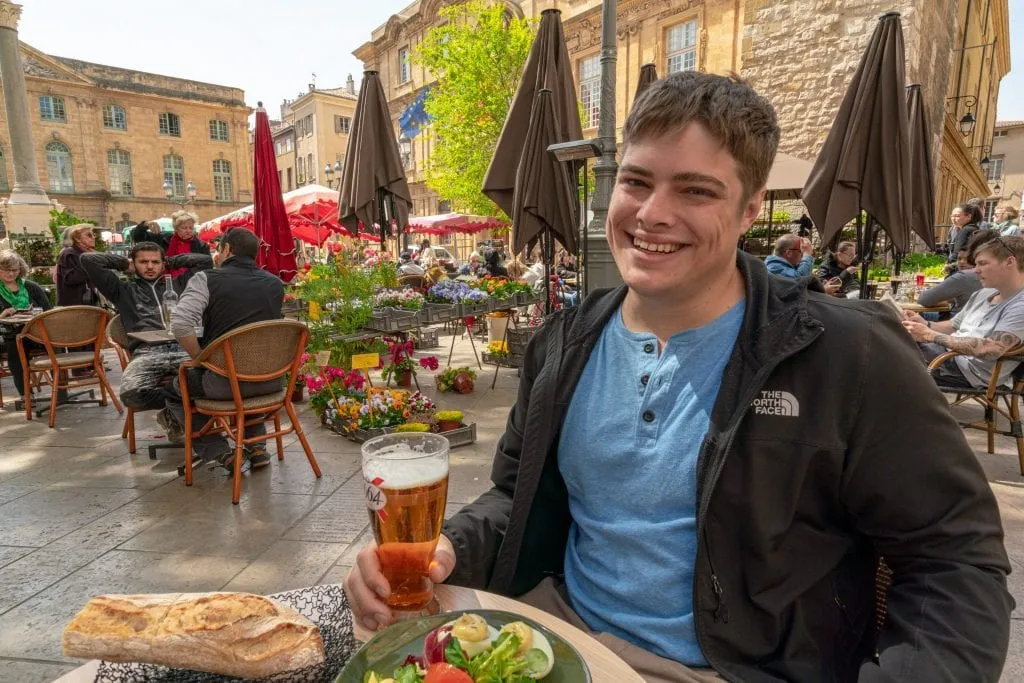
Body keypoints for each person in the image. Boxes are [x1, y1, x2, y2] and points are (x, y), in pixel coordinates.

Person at [343, 71, 1013, 683]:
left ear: (750, 209)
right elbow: (513, 497)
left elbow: (958, 565)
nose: (652, 213)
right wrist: (445, 548)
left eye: (695, 190)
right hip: (552, 639)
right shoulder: (563, 341)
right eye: (637, 182)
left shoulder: (846, 353)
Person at [163, 228, 284, 470]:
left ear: (227, 249)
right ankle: (257, 446)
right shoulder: (275, 283)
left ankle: (220, 452)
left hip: (225, 385)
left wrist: (199, 359)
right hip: (272, 380)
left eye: (218, 249)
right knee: (245, 368)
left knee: (176, 389)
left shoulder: (207, 279)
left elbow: (180, 323)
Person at [81, 242, 213, 425]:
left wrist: (170, 262)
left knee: (216, 384)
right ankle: (176, 403)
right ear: (134, 263)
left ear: (163, 263)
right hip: (147, 352)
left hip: (185, 348)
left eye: (155, 262)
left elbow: (205, 261)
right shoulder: (122, 290)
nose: (150, 267)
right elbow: (88, 259)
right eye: (143, 262)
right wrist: (124, 264)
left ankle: (174, 408)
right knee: (131, 395)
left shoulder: (180, 284)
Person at [904, 234, 1024, 390]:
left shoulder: (1020, 306)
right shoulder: (984, 293)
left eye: (982, 264)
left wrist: (930, 335)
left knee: (887, 352)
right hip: (947, 356)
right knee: (889, 336)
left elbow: (991, 349)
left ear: (1009, 262)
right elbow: (955, 325)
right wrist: (925, 323)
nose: (976, 270)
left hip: (967, 371)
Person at [0, 250, 51, 399]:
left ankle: (61, 392)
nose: (10, 274)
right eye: (5, 270)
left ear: (20, 269)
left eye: (14, 270)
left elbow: (48, 311)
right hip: (9, 334)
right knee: (15, 347)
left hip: (37, 332)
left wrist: (34, 312)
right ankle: (26, 395)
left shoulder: (31, 286)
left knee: (56, 344)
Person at [916, 229, 993, 314]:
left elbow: (924, 299)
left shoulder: (966, 276)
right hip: (985, 322)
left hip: (959, 323)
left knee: (911, 316)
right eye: (959, 259)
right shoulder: (1003, 276)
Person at [130, 212, 210, 277]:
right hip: (164, 281)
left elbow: (207, 267)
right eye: (184, 228)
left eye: (191, 228)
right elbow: (137, 237)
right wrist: (145, 224)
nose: (188, 231)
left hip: (191, 282)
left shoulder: (202, 245)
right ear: (176, 228)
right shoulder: (164, 239)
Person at [56, 224, 98, 306]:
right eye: (89, 235)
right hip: (74, 307)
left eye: (93, 234)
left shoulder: (84, 254)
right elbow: (71, 278)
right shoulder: (68, 254)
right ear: (77, 239)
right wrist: (90, 262)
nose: (93, 237)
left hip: (86, 304)